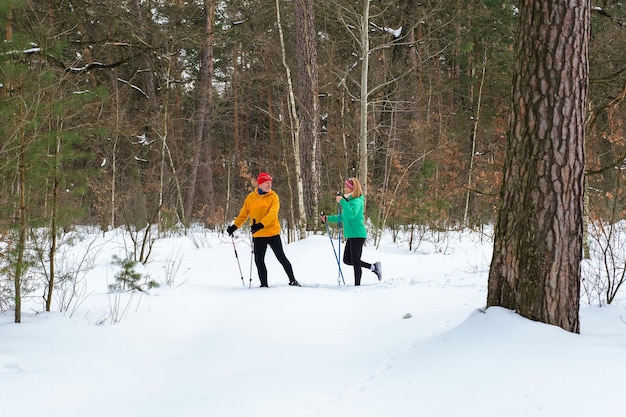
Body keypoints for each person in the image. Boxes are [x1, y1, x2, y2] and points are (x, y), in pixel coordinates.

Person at [226, 172, 300, 288]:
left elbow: (272, 214)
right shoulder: (251, 198)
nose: (269, 185)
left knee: (281, 257)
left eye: (270, 183)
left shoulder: (274, 197)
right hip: (258, 235)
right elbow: (243, 215)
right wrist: (234, 227)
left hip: (272, 233)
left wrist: (261, 224)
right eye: (266, 183)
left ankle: (293, 280)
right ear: (259, 184)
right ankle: (264, 285)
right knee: (259, 260)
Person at [320, 177, 382, 286]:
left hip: (358, 235)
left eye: (346, 187)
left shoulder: (356, 201)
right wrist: (328, 218)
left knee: (356, 261)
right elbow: (344, 217)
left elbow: (352, 214)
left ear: (352, 188)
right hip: (352, 235)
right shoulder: (349, 201)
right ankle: (373, 267)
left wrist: (343, 202)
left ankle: (357, 286)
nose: (344, 188)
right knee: (347, 260)